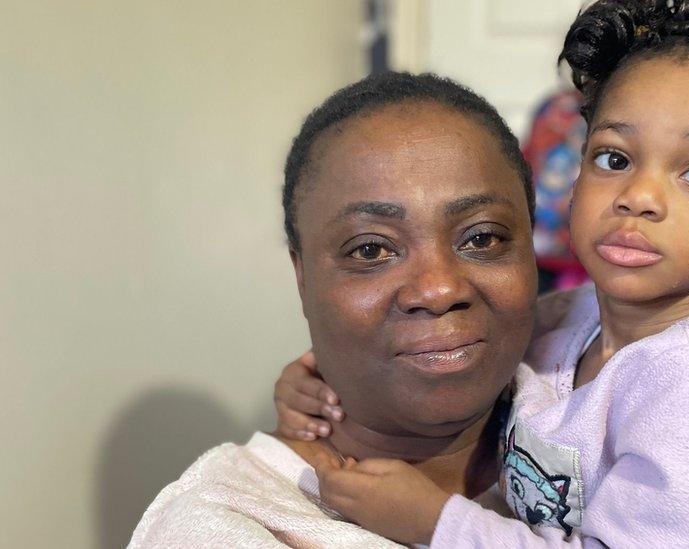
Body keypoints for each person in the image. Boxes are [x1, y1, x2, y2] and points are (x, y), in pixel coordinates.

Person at [273, 0, 689, 546]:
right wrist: (325, 385)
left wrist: (435, 522)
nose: (640, 196)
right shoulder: (568, 318)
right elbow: (451, 367)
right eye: (615, 158)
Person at [128, 71, 540, 547]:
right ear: (302, 276)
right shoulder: (229, 524)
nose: (439, 289)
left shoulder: (607, 432)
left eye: (482, 237)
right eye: (370, 250)